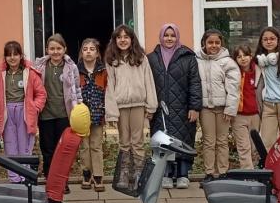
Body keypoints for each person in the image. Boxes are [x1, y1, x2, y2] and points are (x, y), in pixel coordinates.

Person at [148, 24, 201, 188]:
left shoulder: (188, 57)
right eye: (166, 35)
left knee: (182, 141)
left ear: (177, 37)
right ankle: (166, 174)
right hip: (160, 109)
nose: (169, 38)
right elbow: (147, 84)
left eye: (172, 35)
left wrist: (195, 107)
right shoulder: (151, 58)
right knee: (163, 141)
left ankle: (183, 175)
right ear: (161, 37)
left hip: (183, 108)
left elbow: (195, 83)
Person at [105, 25, 158, 177]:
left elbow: (148, 81)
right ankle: (125, 172)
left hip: (138, 105)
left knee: (138, 141)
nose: (123, 40)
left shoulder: (141, 58)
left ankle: (138, 172)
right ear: (115, 40)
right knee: (124, 142)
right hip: (121, 106)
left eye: (126, 37)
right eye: (119, 37)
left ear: (131, 39)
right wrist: (112, 113)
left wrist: (151, 106)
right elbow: (109, 87)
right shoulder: (111, 60)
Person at [0, 41, 46, 183]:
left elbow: (41, 94)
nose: (12, 58)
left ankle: (25, 177)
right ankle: (14, 179)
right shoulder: (0, 76)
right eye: (9, 55)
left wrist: (34, 107)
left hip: (24, 112)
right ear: (5, 57)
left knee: (25, 147)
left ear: (21, 56)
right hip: (7, 113)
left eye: (15, 54)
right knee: (10, 146)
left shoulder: (30, 74)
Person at [33, 34, 81, 184]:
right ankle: (50, 180)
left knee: (62, 151)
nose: (55, 52)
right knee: (47, 150)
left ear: (64, 49)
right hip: (45, 115)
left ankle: (62, 182)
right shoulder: (39, 67)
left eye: (59, 48)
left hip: (64, 114)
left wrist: (78, 108)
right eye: (52, 48)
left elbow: (77, 89)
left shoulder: (71, 67)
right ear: (47, 49)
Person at [196, 29, 240, 185]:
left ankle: (222, 172)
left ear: (221, 44)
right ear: (204, 43)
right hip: (205, 108)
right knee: (208, 141)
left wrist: (230, 108)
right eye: (210, 42)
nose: (213, 45)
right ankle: (209, 173)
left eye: (217, 42)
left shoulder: (227, 62)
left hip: (223, 108)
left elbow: (233, 87)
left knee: (222, 141)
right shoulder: (197, 60)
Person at [76, 38, 108, 191]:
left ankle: (98, 176)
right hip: (81, 116)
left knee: (96, 146)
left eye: (92, 49)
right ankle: (86, 174)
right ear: (81, 53)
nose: (88, 51)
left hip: (98, 114)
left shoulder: (103, 71)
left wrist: (107, 111)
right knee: (84, 146)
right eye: (85, 49)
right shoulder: (76, 71)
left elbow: (108, 93)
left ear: (97, 53)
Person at [231, 42, 260, 169]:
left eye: (245, 55)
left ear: (251, 56)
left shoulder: (258, 71)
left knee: (255, 146)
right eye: (239, 56)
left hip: (255, 114)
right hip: (239, 115)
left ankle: (255, 169)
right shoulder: (233, 73)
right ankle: (248, 173)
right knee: (243, 146)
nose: (243, 58)